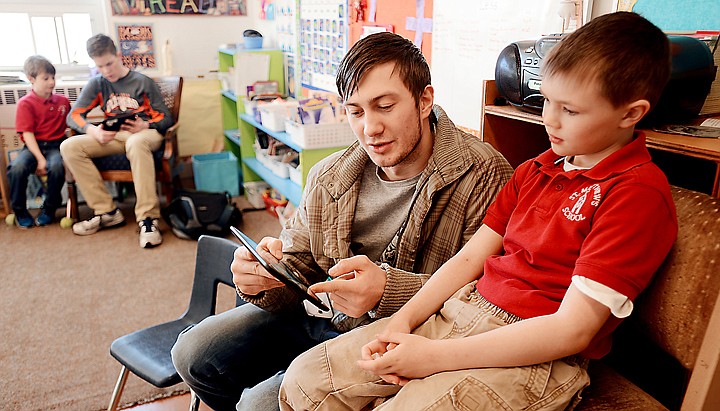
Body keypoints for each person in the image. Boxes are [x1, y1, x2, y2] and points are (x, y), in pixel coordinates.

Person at [279, 12, 679, 411]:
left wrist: (432, 358)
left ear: (631, 113)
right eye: (547, 102)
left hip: (536, 352)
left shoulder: (636, 194)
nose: (549, 120)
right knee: (305, 380)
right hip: (464, 308)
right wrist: (402, 322)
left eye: (570, 111)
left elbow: (572, 330)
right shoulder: (536, 170)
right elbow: (469, 258)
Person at [171, 32, 513, 411]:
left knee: (259, 404)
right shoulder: (330, 174)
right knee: (192, 352)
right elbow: (298, 266)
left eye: (385, 106)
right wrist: (264, 275)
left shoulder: (485, 174)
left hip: (396, 342)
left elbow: (485, 301)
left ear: (424, 100)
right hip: (322, 319)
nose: (370, 128)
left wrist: (387, 290)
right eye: (355, 111)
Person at [60, 34, 172, 248]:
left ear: (119, 56)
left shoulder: (142, 81)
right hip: (115, 136)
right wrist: (93, 131)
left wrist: (146, 126)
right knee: (69, 146)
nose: (106, 71)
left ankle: (148, 219)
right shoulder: (97, 83)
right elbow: (73, 116)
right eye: (99, 66)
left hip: (145, 135)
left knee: (136, 143)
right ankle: (107, 211)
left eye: (109, 64)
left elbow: (166, 118)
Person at [7, 55, 71, 228]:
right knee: (17, 168)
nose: (51, 82)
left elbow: (71, 125)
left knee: (57, 166)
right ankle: (19, 210)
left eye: (53, 78)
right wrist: (40, 159)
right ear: (31, 79)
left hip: (55, 145)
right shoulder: (25, 103)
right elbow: (27, 134)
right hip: (33, 146)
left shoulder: (63, 102)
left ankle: (49, 208)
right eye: (46, 78)